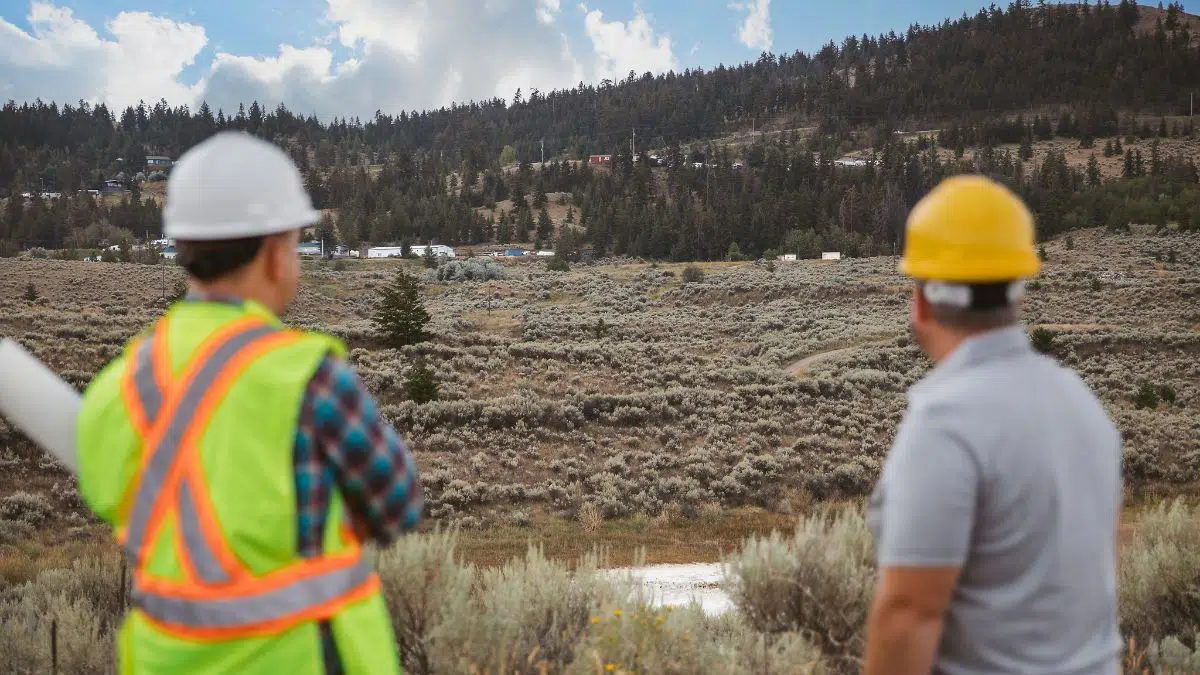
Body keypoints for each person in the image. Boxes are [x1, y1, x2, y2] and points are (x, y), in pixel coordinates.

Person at [75, 130, 423, 675]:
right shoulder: (308, 379)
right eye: (294, 241)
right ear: (273, 251)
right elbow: (397, 505)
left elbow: (115, 500)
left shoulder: (114, 389)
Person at [862, 175, 1124, 675]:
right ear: (1018, 296)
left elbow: (908, 614)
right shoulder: (1085, 407)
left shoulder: (945, 422)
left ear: (920, 300)